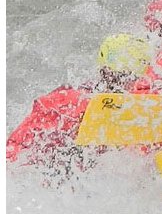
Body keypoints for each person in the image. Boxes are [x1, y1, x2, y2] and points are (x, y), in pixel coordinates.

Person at [6, 33, 153, 173]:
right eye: (121, 76)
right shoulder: (70, 102)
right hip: (46, 165)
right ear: (104, 72)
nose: (125, 84)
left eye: (132, 79)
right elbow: (16, 148)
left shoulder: (141, 103)